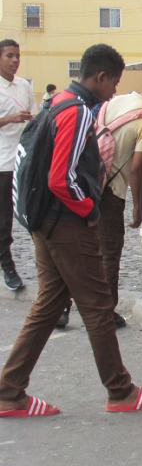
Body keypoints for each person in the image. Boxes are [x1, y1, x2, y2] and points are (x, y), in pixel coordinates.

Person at [0, 44, 142, 418]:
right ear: (102, 77)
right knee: (96, 306)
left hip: (42, 219)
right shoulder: (76, 112)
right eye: (114, 83)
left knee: (49, 304)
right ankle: (120, 390)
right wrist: (89, 209)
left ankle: (10, 390)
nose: (113, 92)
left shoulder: (58, 101)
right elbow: (63, 178)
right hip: (65, 221)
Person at [57, 83, 142, 329]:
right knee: (110, 251)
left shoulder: (115, 102)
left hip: (87, 184)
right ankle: (106, 311)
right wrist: (136, 206)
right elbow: (135, 167)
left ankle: (61, 305)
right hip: (112, 190)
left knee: (80, 249)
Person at [0, 39, 36, 291]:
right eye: (10, 56)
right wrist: (9, 118)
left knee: (32, 212)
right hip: (2, 162)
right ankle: (8, 266)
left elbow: (35, 116)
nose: (15, 60)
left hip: (24, 161)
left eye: (18, 56)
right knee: (4, 220)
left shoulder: (23, 85)